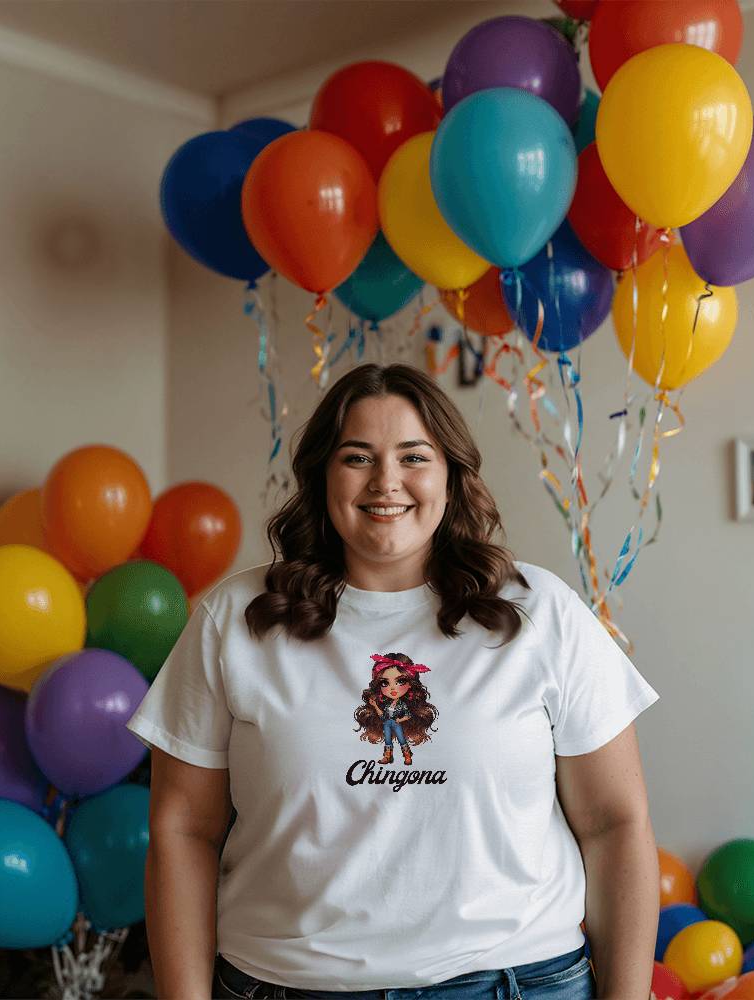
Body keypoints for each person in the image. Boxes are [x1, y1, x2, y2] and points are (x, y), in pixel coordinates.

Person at [126, 362, 660, 1000]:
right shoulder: (236, 620)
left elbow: (614, 824)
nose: (387, 482)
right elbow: (184, 830)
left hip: (516, 982)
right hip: (287, 985)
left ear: (450, 474)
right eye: (358, 457)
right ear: (324, 474)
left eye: (414, 456)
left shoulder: (541, 612)